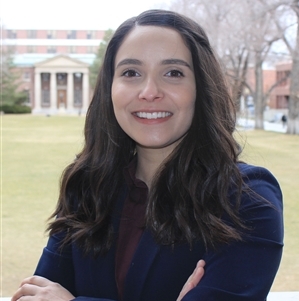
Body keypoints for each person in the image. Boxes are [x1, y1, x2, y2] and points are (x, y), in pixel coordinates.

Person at [12, 9, 283, 301]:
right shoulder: (87, 187)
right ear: (110, 89)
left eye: (173, 73)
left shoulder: (246, 199)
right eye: (131, 73)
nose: (149, 91)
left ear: (201, 88)